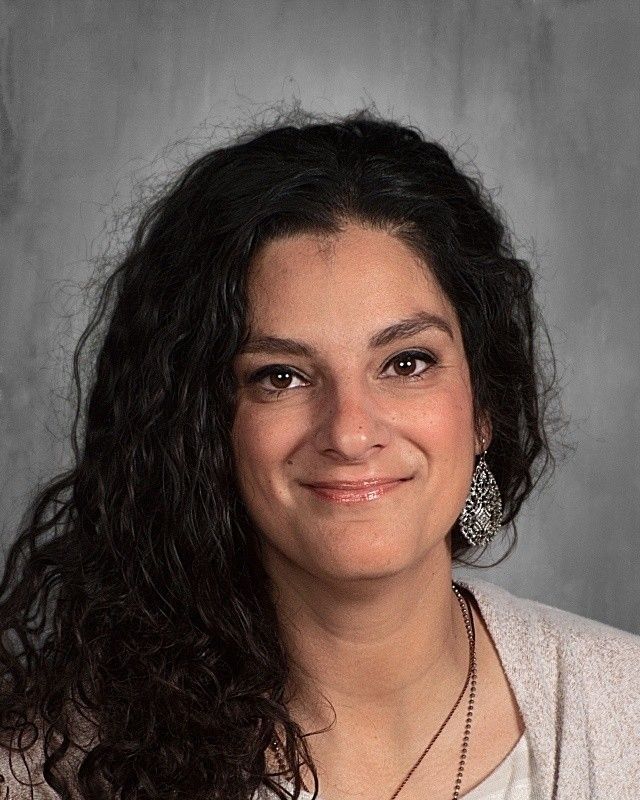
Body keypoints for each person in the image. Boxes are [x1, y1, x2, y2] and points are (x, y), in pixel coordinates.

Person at [0, 110, 638, 800]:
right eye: (282, 375)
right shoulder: (46, 775)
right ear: (202, 428)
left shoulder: (625, 713)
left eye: (407, 362)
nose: (350, 432)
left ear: (485, 407)